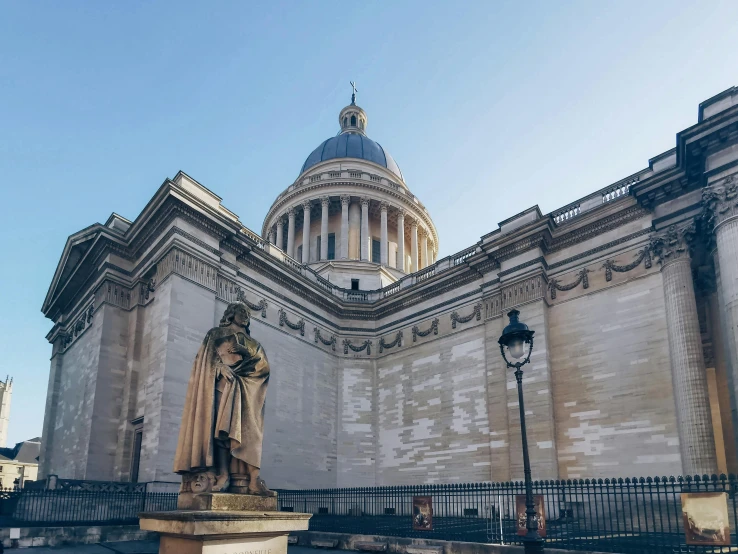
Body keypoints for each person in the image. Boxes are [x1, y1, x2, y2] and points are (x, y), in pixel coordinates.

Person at [174, 302, 275, 496]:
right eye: (241, 312)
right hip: (223, 385)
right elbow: (204, 361)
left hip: (249, 392)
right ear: (231, 314)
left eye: (247, 313)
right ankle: (223, 473)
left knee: (250, 434)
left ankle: (252, 479)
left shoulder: (254, 344)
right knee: (221, 431)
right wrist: (218, 368)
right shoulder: (215, 334)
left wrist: (246, 352)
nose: (245, 315)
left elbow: (264, 368)